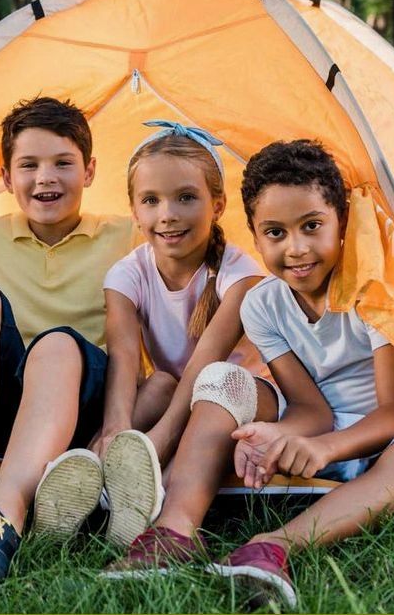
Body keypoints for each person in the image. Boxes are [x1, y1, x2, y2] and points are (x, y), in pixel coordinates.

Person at [209, 139, 394, 608]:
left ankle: (274, 545)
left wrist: (324, 448)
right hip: (318, 435)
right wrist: (280, 437)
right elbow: (309, 406)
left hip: (380, 435)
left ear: (342, 222)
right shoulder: (261, 305)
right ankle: (173, 507)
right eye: (275, 233)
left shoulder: (373, 292)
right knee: (227, 391)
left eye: (312, 226)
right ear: (255, 237)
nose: (296, 249)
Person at [0, 97, 134, 591]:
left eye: (63, 163)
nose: (45, 178)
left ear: (89, 171)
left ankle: (6, 512)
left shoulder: (127, 234)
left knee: (56, 344)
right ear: (5, 177)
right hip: (11, 401)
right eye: (29, 165)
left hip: (80, 397)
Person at [51, 121, 280, 564]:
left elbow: (206, 364)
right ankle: (93, 474)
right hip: (177, 392)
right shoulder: (127, 273)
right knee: (157, 383)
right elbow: (123, 357)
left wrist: (156, 440)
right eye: (151, 200)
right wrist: (115, 432)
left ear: (217, 205)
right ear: (134, 212)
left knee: (216, 380)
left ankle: (148, 491)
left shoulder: (241, 275)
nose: (168, 214)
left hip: (246, 396)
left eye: (186, 198)